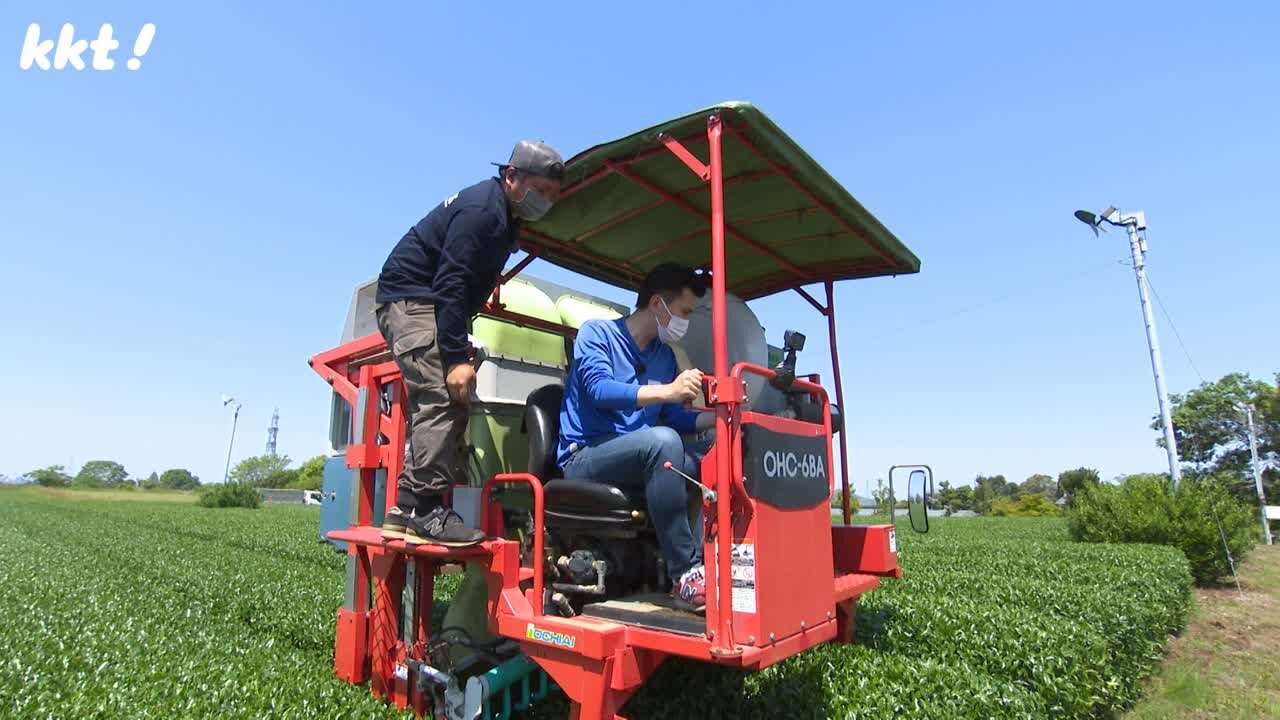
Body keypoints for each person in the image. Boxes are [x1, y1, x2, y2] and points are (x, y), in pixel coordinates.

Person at [376, 140, 565, 546]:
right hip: (414, 300)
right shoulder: (483, 212)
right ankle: (424, 510)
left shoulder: (504, 217)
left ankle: (406, 506)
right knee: (444, 394)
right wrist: (455, 355)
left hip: (424, 301)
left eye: (553, 195)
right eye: (541, 190)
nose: (546, 202)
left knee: (452, 397)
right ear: (511, 176)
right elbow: (451, 283)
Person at [557, 264, 717, 611]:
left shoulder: (663, 356)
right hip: (585, 456)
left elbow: (675, 415)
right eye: (684, 312)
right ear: (658, 305)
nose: (685, 322)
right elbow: (599, 390)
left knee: (715, 452)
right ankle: (686, 574)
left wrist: (719, 418)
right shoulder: (596, 334)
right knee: (663, 441)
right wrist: (668, 392)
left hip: (642, 455)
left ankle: (716, 560)